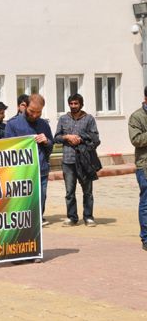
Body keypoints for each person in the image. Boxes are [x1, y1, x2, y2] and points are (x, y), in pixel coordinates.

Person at [5, 94, 53, 226]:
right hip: (21, 173)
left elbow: (50, 147)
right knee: (22, 201)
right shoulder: (12, 124)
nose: (34, 115)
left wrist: (46, 141)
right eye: (32, 111)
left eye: (39, 112)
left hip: (41, 170)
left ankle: (38, 219)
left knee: (41, 197)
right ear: (25, 106)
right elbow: (8, 149)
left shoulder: (44, 124)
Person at [54, 94, 100, 227]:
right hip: (68, 160)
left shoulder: (89, 119)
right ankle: (72, 217)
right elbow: (56, 137)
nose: (73, 106)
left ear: (81, 104)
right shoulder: (63, 119)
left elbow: (95, 138)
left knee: (87, 191)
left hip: (84, 160)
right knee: (69, 192)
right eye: (71, 104)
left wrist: (81, 138)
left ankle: (88, 217)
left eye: (76, 103)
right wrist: (67, 137)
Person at [127, 86, 147, 250]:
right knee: (146, 203)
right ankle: (146, 239)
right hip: (145, 166)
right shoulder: (137, 117)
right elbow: (137, 140)